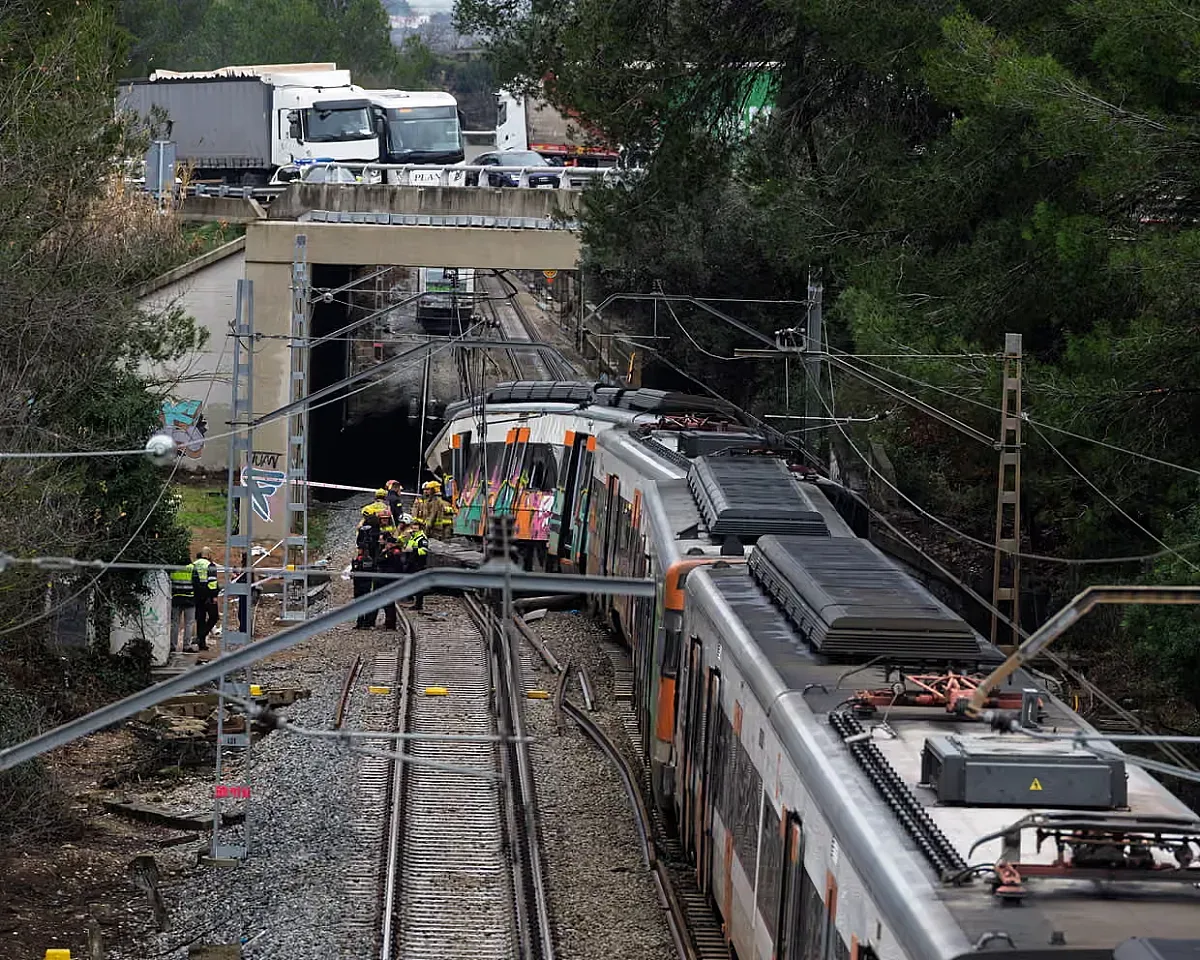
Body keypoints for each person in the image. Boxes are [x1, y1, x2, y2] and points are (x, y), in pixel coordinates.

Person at [352, 515, 385, 629]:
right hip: (373, 570)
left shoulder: (364, 532)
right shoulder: (378, 534)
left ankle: (362, 622)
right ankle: (367, 622)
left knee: (361, 596)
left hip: (366, 571)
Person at [168, 557, 196, 653]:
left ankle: (172, 645)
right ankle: (186, 646)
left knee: (175, 623)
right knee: (189, 623)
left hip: (176, 598)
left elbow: (169, 582)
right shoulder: (192, 568)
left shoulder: (174, 568)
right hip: (190, 599)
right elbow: (196, 583)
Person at [402, 518, 431, 611]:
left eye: (416, 528)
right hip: (411, 562)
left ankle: (418, 604)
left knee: (418, 584)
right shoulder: (413, 536)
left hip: (418, 564)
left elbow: (424, 551)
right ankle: (409, 598)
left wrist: (413, 550)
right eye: (413, 528)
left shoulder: (422, 538)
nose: (414, 530)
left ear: (420, 528)